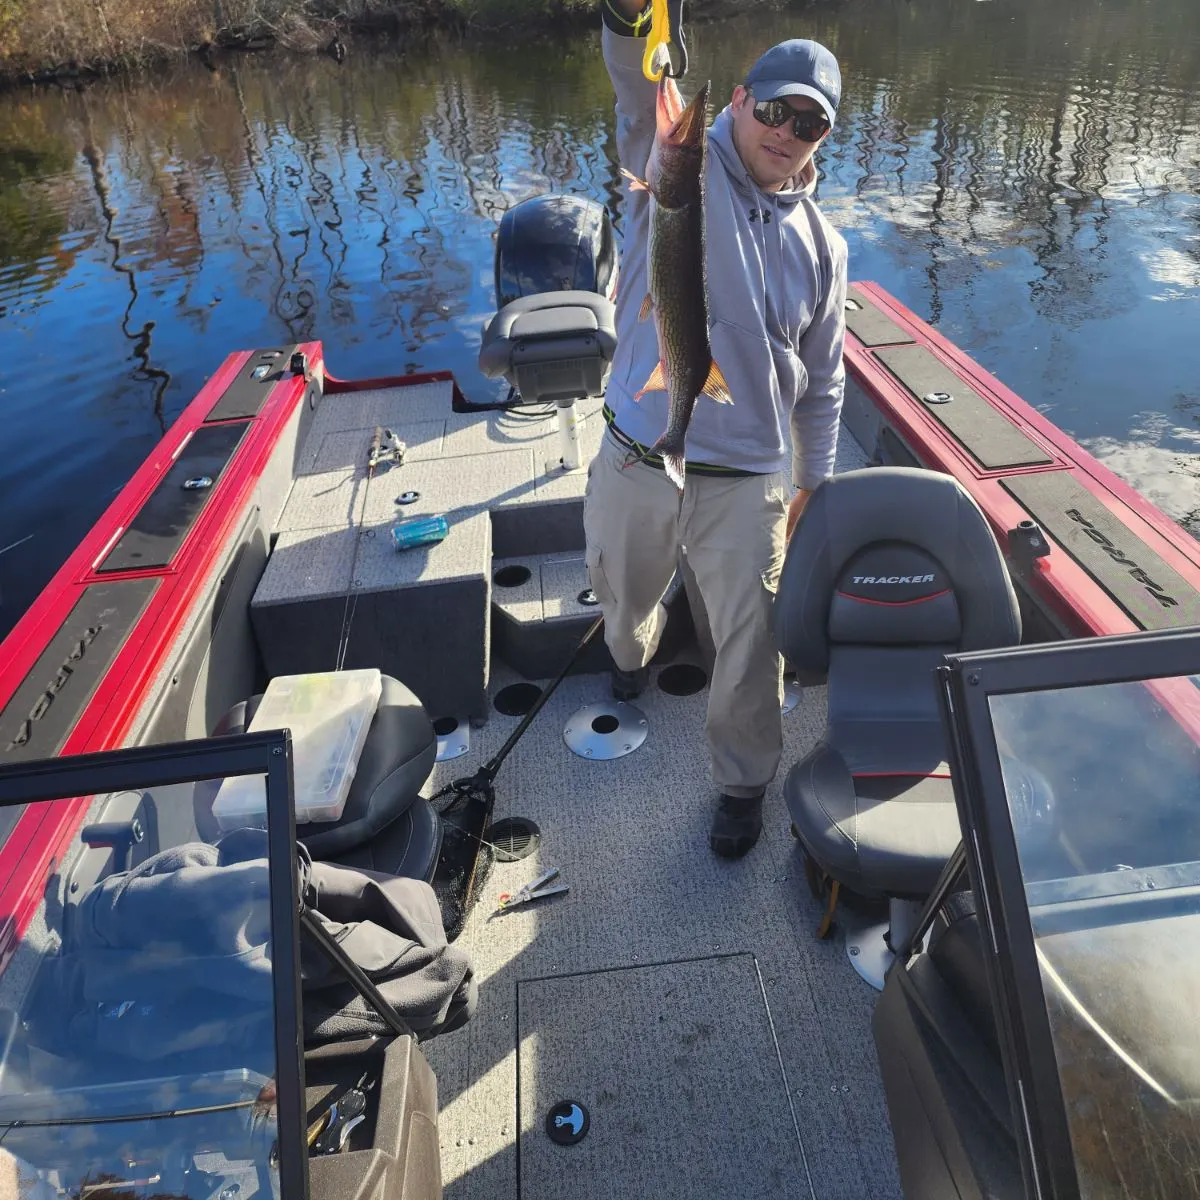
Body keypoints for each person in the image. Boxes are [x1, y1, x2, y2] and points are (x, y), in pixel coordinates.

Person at [584, 0, 849, 858]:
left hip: (745, 479)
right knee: (620, 598)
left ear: (822, 137)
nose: (787, 129)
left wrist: (815, 480)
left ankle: (742, 785)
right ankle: (632, 652)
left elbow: (826, 381)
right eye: (775, 108)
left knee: (749, 651)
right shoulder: (676, 175)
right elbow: (636, 89)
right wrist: (631, 20)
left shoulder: (826, 246)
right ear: (740, 99)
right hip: (638, 449)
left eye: (809, 121)